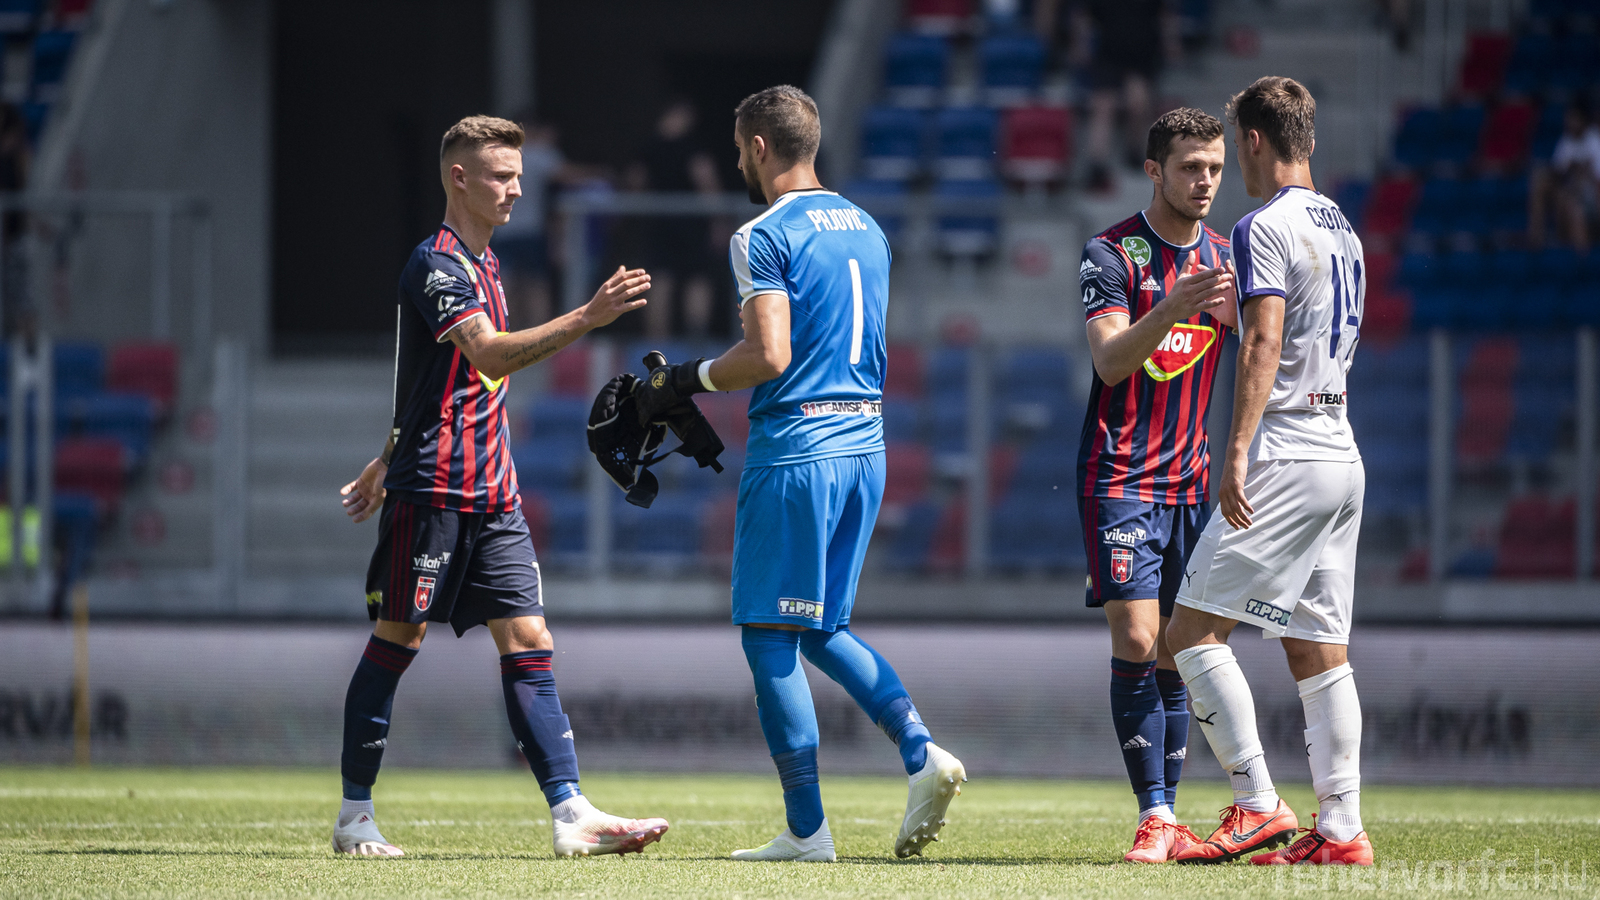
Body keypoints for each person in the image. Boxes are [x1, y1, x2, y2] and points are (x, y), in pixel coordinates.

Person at [631, 85, 967, 863]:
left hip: (797, 449)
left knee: (768, 634)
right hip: (865, 446)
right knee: (823, 628)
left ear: (757, 147)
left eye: (738, 151)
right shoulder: (868, 227)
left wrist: (685, 379)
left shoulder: (761, 233)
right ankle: (920, 751)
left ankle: (808, 831)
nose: (737, 164)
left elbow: (770, 355)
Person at [332, 115, 668, 859]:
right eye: (502, 176)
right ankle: (355, 815)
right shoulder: (437, 264)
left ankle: (571, 814)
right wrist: (588, 316)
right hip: (435, 490)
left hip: (494, 492)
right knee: (400, 636)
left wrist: (383, 454)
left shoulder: (487, 266)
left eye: (518, 175)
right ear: (459, 178)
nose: (517, 189)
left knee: (530, 639)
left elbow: (431, 381)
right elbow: (485, 356)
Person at [1167, 77, 1373, 867]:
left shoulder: (1263, 224)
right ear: (1307, 138)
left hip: (1286, 450)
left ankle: (1256, 802)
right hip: (1340, 451)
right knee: (1317, 648)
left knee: (1191, 633)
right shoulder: (1344, 227)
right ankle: (1342, 830)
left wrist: (1237, 450)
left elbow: (1264, 342)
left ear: (1253, 141)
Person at [1076, 107, 1238, 863]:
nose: (1205, 181)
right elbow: (1111, 363)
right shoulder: (1112, 253)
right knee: (1139, 637)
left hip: (1191, 481)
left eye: (1215, 167)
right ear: (1153, 171)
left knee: (1178, 649)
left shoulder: (1229, 258)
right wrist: (1172, 307)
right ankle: (1155, 813)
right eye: (1190, 167)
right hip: (1120, 475)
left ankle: (1169, 818)